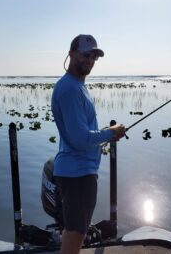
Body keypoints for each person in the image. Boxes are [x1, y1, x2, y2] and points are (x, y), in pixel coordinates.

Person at [51, 34, 126, 254]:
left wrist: (107, 135)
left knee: (74, 231)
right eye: (86, 54)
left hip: (78, 172)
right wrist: (109, 132)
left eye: (94, 56)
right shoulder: (71, 89)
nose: (90, 59)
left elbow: (81, 133)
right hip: (78, 175)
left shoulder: (76, 86)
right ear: (71, 54)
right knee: (76, 234)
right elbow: (80, 139)